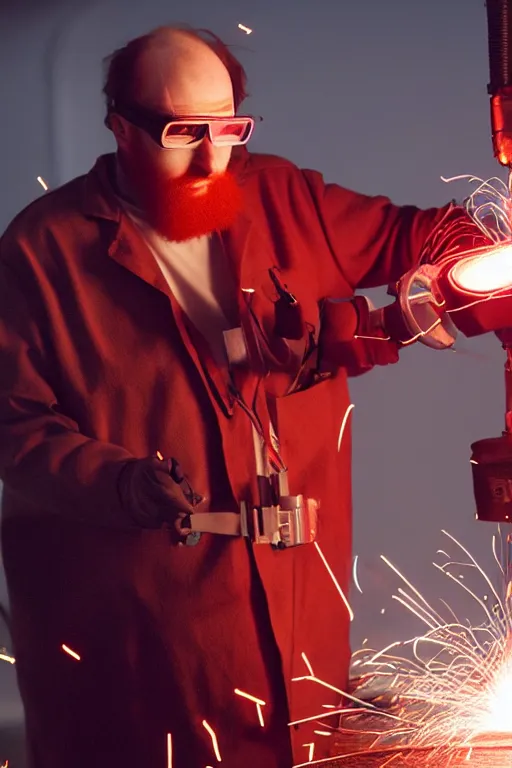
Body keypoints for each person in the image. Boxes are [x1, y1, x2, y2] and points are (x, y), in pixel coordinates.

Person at [0, 24, 487, 768]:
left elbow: (428, 235)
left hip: (295, 637)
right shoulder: (42, 249)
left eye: (229, 128)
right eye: (181, 131)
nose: (210, 156)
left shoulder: (286, 197)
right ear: (120, 128)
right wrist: (121, 484)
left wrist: (467, 264)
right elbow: (16, 429)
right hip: (143, 647)